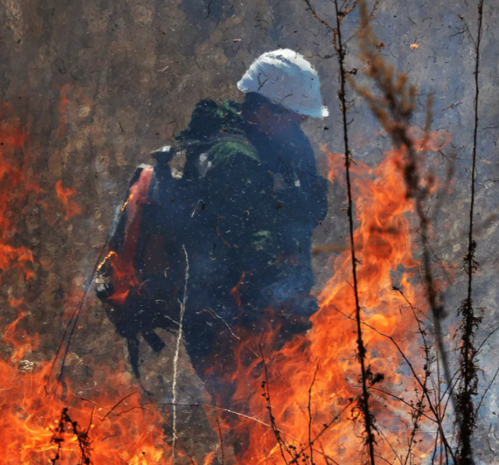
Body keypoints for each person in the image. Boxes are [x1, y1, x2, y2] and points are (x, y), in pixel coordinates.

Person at [96, 49, 329, 404]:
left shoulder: (265, 144)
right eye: (294, 120)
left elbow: (312, 209)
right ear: (264, 109)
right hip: (230, 320)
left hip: (240, 312)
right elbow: (255, 245)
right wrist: (290, 310)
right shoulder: (235, 157)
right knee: (258, 421)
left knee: (272, 422)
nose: (300, 129)